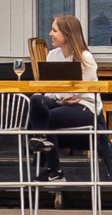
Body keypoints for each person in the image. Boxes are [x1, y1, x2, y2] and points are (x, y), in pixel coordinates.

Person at [28, 13, 104, 183]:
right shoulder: (52, 55)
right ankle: (41, 139)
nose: (50, 34)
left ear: (67, 34)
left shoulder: (85, 58)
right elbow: (47, 90)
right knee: (35, 99)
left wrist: (59, 97)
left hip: (84, 106)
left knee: (44, 118)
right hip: (59, 102)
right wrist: (59, 99)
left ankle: (55, 169)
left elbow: (78, 92)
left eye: (54, 30)